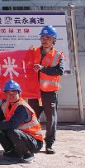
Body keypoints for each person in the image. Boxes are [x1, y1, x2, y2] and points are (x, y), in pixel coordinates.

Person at [0, 80, 44, 163]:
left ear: (19, 93)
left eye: (14, 93)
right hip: (23, 137)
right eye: (8, 93)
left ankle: (28, 154)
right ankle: (12, 150)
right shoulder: (6, 105)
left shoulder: (22, 107)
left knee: (11, 130)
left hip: (34, 142)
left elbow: (12, 124)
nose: (11, 96)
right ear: (5, 95)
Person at [27, 25, 65, 154]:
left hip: (49, 93)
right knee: (32, 118)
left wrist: (43, 68)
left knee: (51, 119)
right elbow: (25, 65)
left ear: (54, 40)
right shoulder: (34, 51)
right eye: (43, 37)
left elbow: (59, 71)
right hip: (34, 92)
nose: (45, 40)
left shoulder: (58, 55)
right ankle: (32, 142)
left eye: (48, 38)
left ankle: (49, 144)